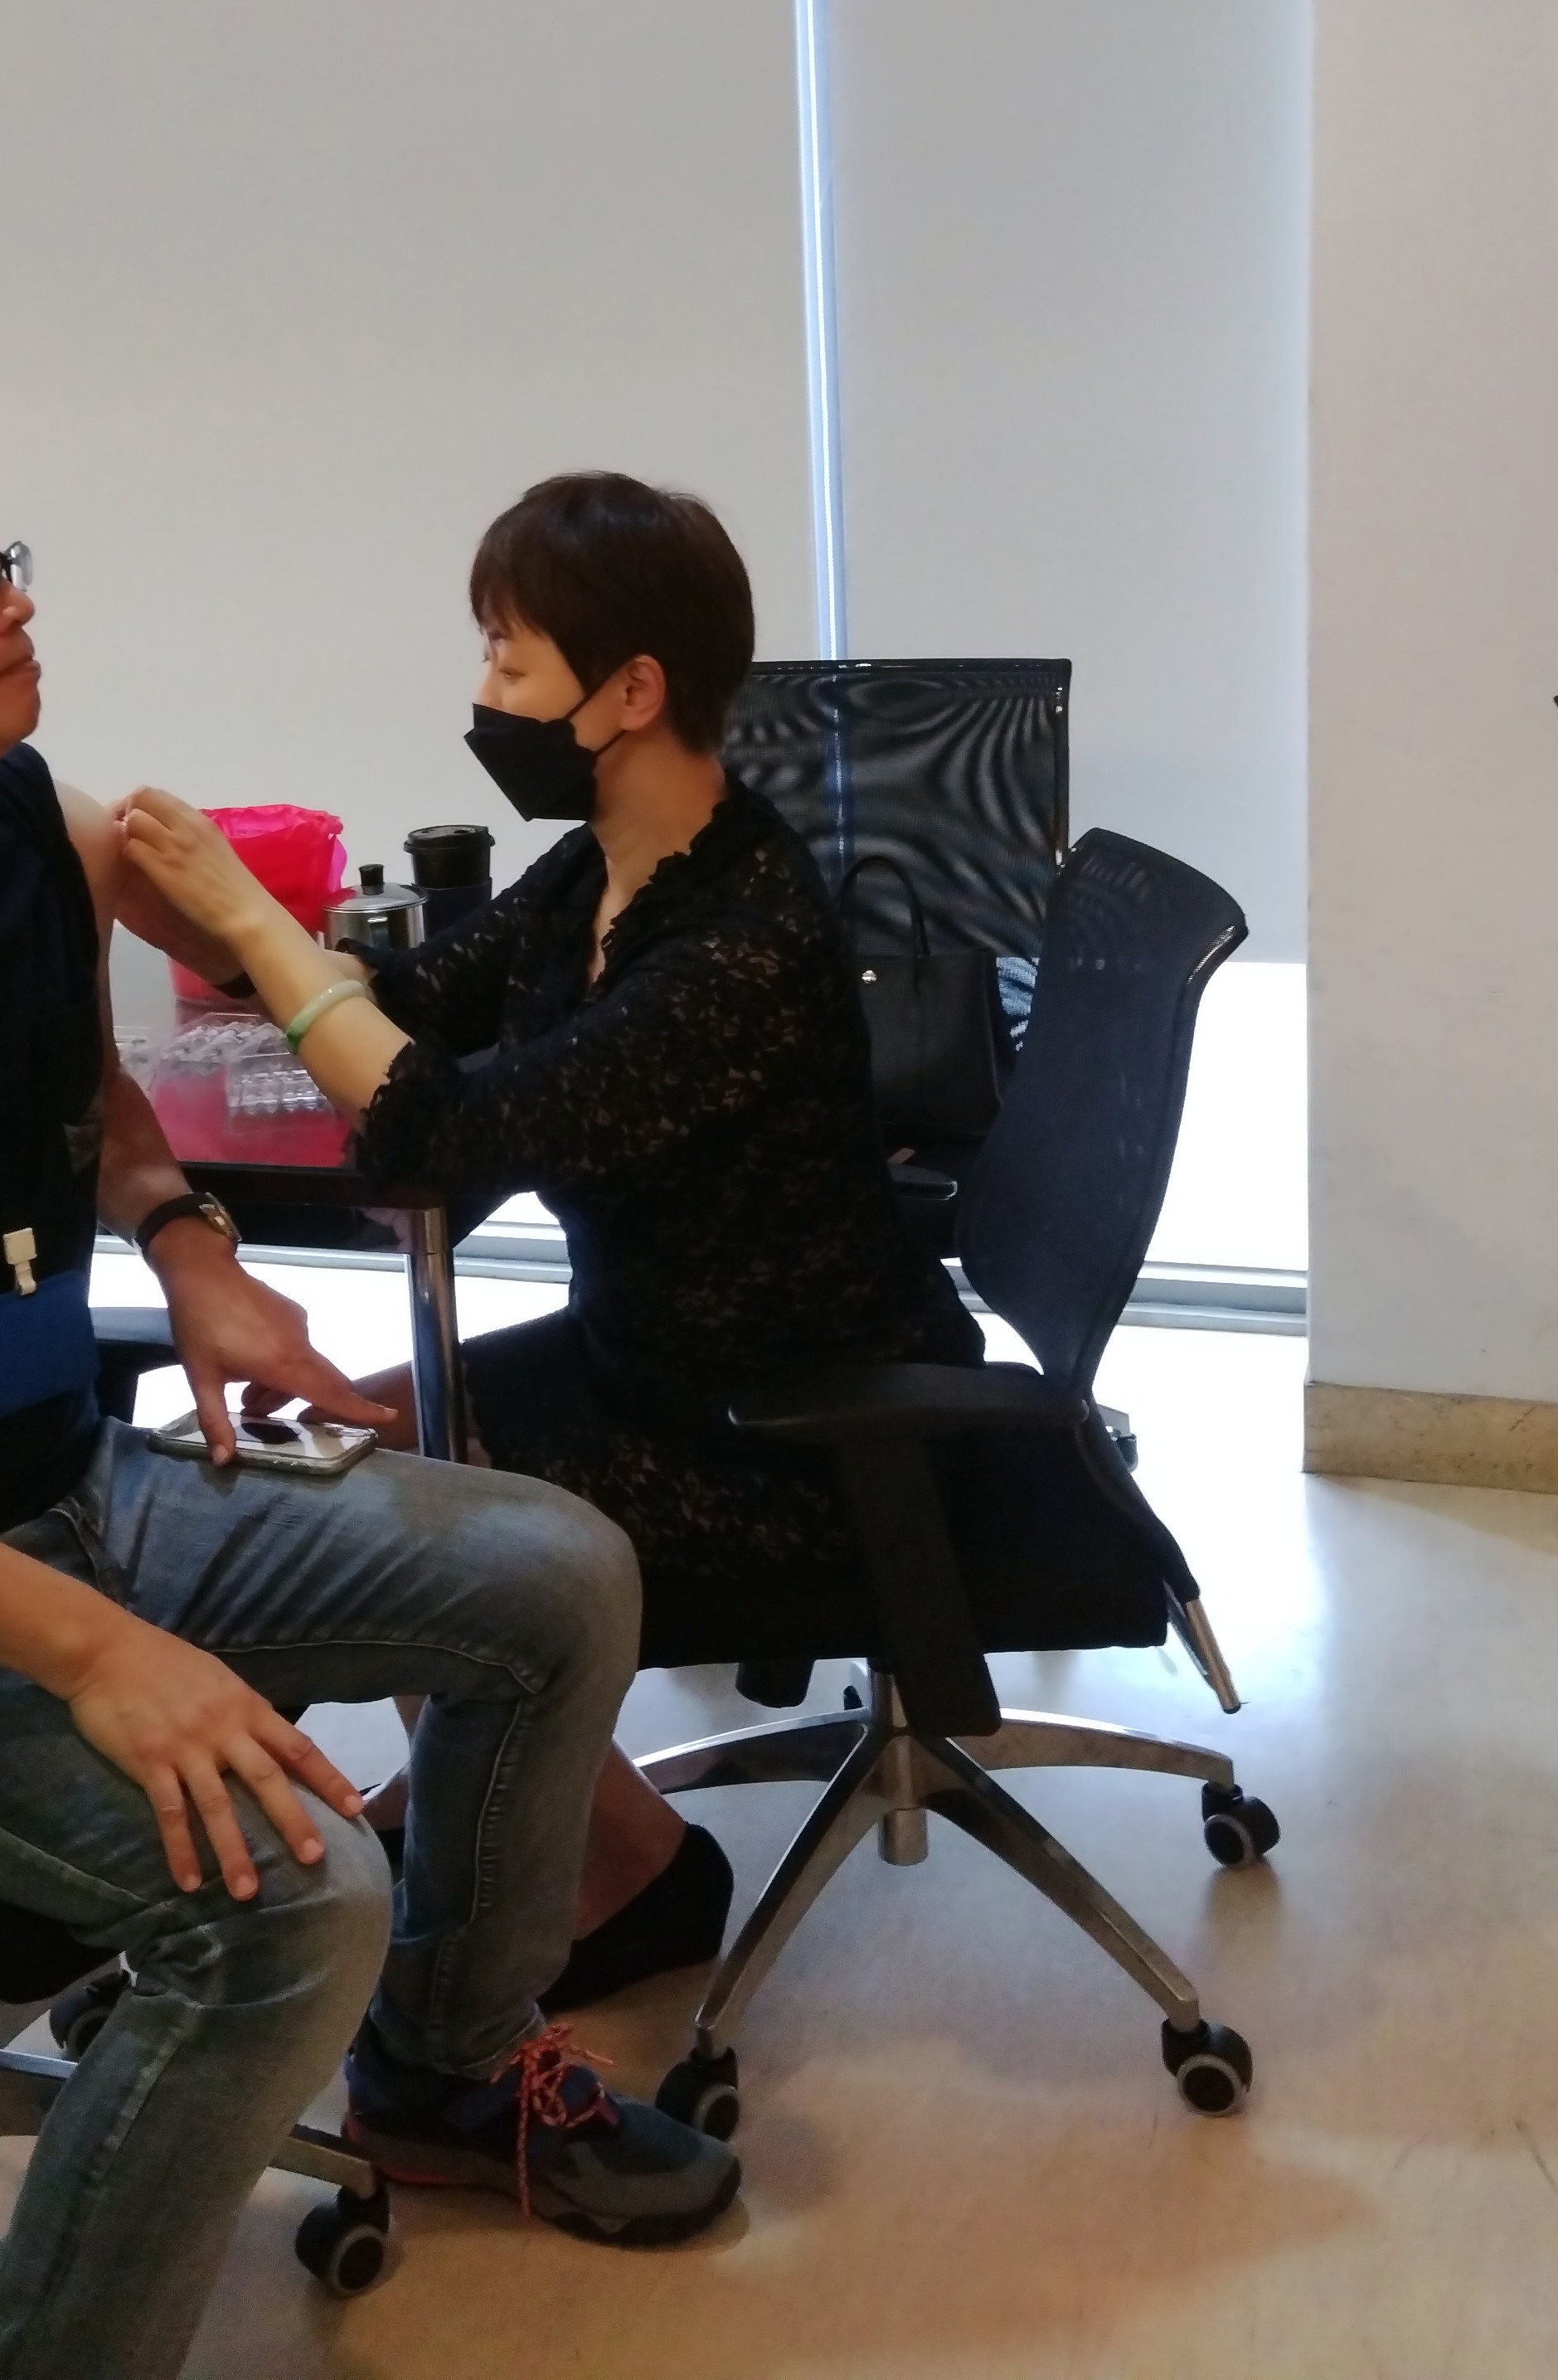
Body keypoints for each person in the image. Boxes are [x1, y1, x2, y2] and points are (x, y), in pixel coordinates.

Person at [0, 400, 740, 2380]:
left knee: (554, 1573)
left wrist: (191, 1250)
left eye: (2, 556)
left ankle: (442, 2070)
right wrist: (103, 1657)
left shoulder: (10, 817)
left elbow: (73, 1076)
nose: (13, 599)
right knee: (292, 1902)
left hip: (65, 1485)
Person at [119, 470, 983, 2010]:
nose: (486, 695)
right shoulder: (605, 871)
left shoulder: (741, 940)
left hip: (781, 1434)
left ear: (631, 692)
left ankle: (621, 1877)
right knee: (346, 1439)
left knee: (379, 1530)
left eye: (509, 660)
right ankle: (523, 1824)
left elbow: (446, 1133)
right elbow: (414, 1013)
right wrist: (238, 931)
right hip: (647, 1358)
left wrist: (253, 925)